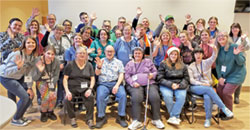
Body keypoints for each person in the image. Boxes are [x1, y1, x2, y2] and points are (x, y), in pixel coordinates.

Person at [188, 46, 234, 128]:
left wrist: (215, 50)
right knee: (208, 89)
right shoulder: (191, 66)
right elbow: (191, 81)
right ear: (193, 55)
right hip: (195, 87)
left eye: (200, 53)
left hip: (207, 88)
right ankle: (223, 108)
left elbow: (213, 57)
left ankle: (208, 119)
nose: (198, 55)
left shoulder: (206, 63)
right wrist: (202, 84)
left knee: (208, 96)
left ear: (202, 55)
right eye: (196, 53)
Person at [0, 36, 38, 126]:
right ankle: (15, 119)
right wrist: (18, 67)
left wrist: (29, 87)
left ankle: (19, 116)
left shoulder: (32, 56)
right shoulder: (17, 54)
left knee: (30, 95)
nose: (31, 44)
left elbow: (29, 73)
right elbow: (6, 71)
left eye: (33, 43)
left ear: (36, 45)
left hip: (18, 77)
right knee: (25, 97)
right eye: (28, 42)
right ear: (24, 44)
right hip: (6, 77)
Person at [125, 47, 164, 130]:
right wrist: (132, 83)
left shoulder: (148, 61)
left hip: (149, 83)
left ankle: (156, 119)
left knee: (154, 97)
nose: (137, 55)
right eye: (136, 53)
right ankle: (137, 121)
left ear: (142, 54)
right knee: (137, 97)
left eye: (139, 53)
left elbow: (155, 71)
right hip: (136, 85)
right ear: (133, 54)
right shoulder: (129, 64)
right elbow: (127, 76)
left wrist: (152, 75)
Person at [215, 31, 246, 120]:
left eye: (223, 36)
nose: (221, 37)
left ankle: (229, 113)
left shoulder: (234, 47)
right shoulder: (220, 49)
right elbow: (218, 65)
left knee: (226, 92)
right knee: (219, 91)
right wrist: (220, 77)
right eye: (219, 36)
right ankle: (222, 112)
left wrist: (236, 55)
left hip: (236, 75)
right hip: (225, 75)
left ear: (227, 37)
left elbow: (241, 62)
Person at [95, 45, 127, 128]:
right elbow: (97, 74)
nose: (109, 53)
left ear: (114, 52)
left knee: (123, 95)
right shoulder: (100, 61)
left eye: (111, 51)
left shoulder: (119, 62)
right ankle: (101, 117)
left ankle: (121, 117)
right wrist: (99, 67)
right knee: (100, 96)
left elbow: (121, 74)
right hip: (103, 84)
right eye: (107, 51)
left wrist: (116, 85)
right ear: (104, 52)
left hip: (115, 83)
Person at [63, 46, 95, 128]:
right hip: (72, 88)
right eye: (80, 53)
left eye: (84, 53)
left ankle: (89, 119)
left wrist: (90, 89)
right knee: (67, 99)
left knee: (91, 97)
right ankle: (72, 117)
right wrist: (67, 91)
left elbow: (92, 78)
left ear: (86, 55)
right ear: (76, 54)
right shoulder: (70, 65)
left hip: (85, 88)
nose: (82, 54)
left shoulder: (89, 65)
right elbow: (65, 79)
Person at [157, 46, 189, 125]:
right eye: (172, 54)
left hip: (179, 85)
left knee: (181, 97)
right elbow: (160, 78)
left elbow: (186, 78)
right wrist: (171, 84)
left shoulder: (183, 65)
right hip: (166, 85)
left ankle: (173, 116)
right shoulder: (163, 64)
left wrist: (180, 85)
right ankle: (175, 116)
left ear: (178, 55)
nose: (173, 56)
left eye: (175, 54)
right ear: (168, 55)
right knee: (167, 96)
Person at [32, 45, 60, 122]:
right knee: (46, 97)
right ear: (44, 53)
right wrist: (40, 71)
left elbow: (56, 75)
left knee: (53, 97)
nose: (50, 56)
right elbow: (34, 78)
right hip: (41, 81)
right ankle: (43, 112)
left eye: (53, 54)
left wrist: (52, 88)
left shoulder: (56, 61)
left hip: (52, 81)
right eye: (48, 53)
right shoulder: (37, 60)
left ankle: (50, 111)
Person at [229, 23, 250, 104]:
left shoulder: (243, 37)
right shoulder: (228, 37)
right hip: (230, 61)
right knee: (230, 78)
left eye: (236, 28)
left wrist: (243, 40)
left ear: (239, 29)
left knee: (239, 79)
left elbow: (248, 47)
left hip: (240, 60)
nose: (235, 29)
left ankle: (237, 96)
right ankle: (229, 94)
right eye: (233, 28)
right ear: (231, 29)